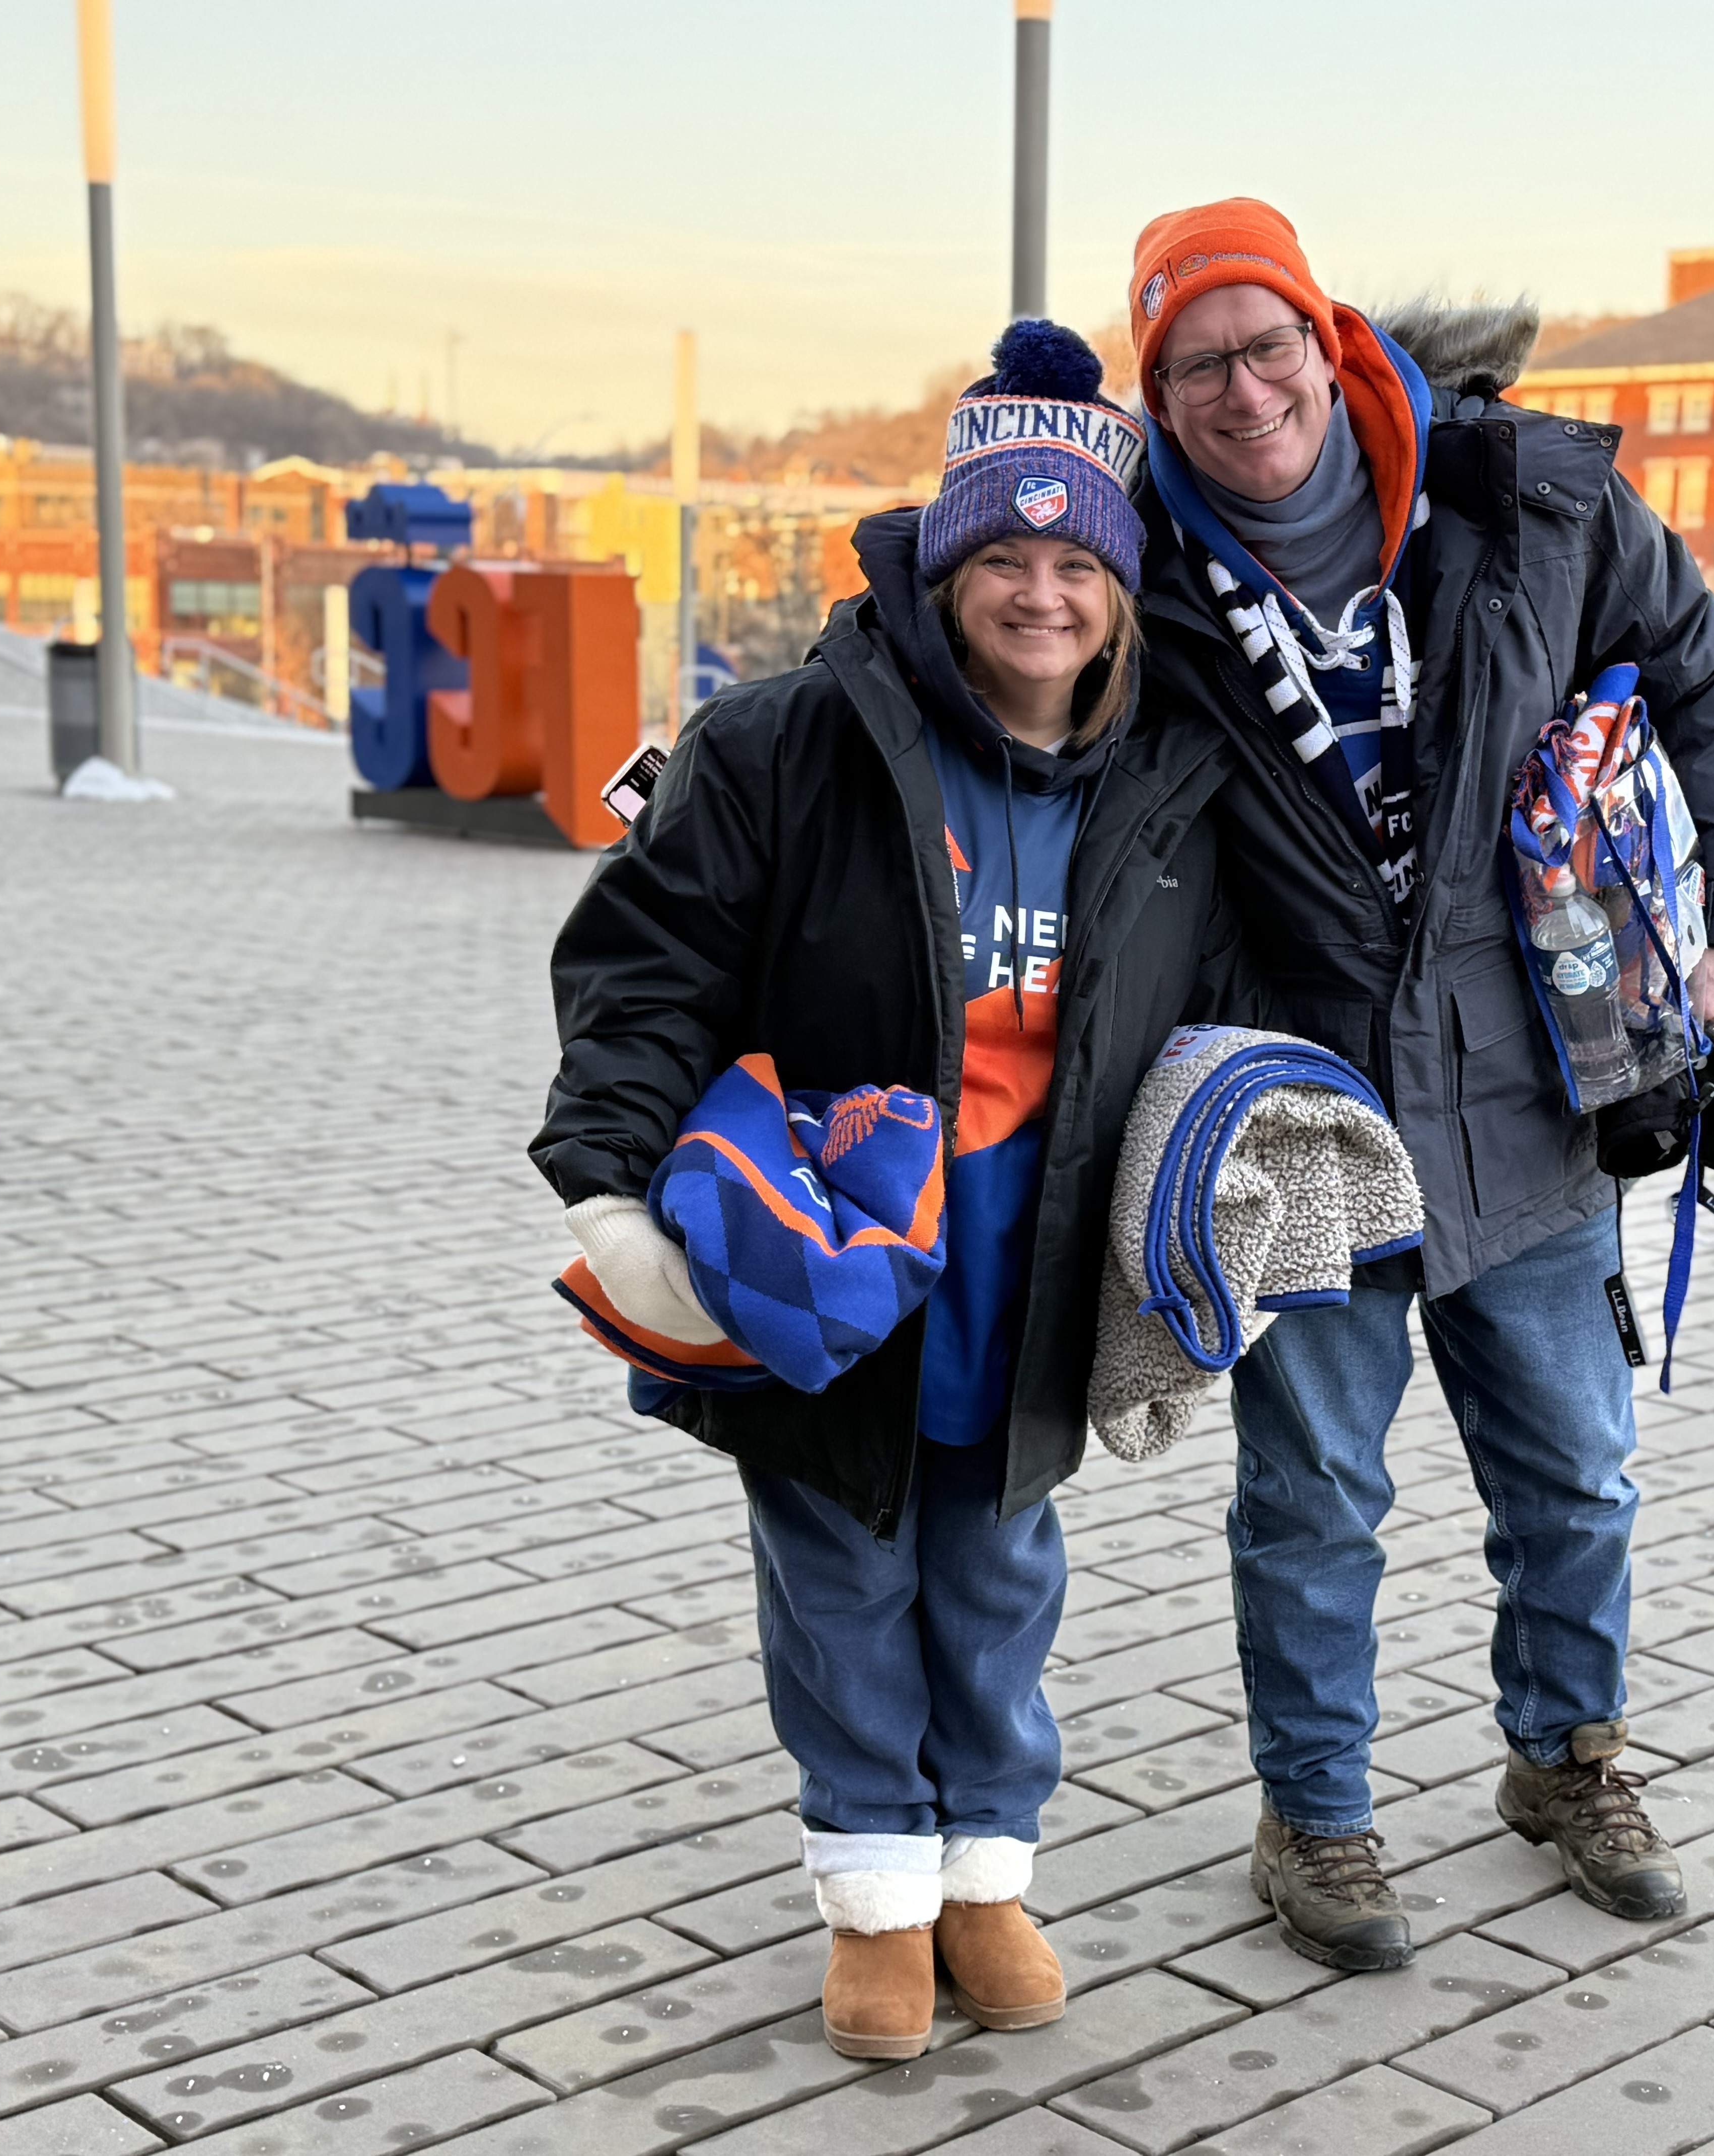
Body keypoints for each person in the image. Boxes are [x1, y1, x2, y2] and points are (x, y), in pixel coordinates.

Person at [531, 322, 1246, 2061]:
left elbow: (1237, 993)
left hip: (1040, 1254)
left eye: (1075, 557)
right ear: (944, 567)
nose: (1039, 591)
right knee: (841, 1561)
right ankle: (874, 1894)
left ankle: (986, 1869)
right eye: (1001, 552)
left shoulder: (1172, 781)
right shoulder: (789, 742)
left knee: (996, 1571)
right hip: (832, 1251)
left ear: (1120, 582)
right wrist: (607, 1184)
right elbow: (648, 965)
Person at [1123, 200, 1714, 1968]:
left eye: (1267, 344)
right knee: (1314, 1495)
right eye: (1197, 363)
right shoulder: (1128, 561)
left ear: (1328, 344)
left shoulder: (1519, 501)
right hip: (1297, 1104)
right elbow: (965, 650)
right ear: (1159, 395)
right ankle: (1317, 1816)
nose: (1244, 388)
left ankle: (1566, 1759)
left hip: (1525, 1080)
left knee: (1578, 1470)